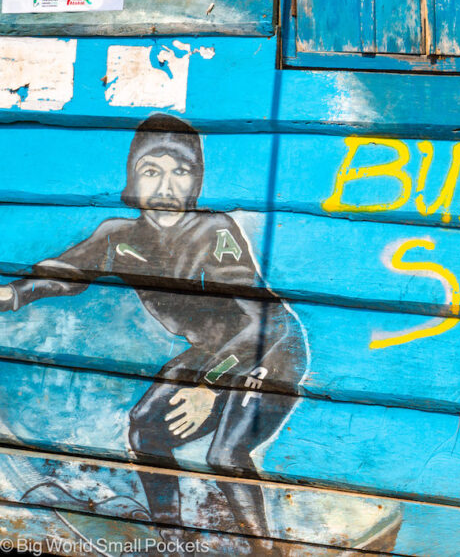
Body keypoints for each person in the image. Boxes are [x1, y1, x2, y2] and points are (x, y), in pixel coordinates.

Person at [0, 114, 308, 555]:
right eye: (152, 171)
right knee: (146, 430)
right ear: (133, 180)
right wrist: (13, 294)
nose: (166, 187)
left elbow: (258, 323)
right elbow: (68, 272)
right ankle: (174, 539)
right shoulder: (119, 235)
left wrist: (208, 386)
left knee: (224, 455)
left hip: (269, 350)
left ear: (195, 180)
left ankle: (268, 549)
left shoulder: (213, 230)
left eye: (180, 171)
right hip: (212, 352)